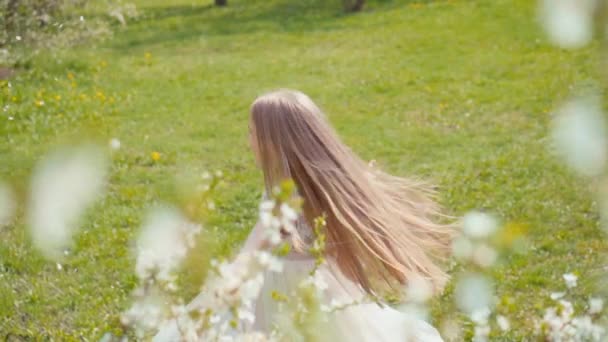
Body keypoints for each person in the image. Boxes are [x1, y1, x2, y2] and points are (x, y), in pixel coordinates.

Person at [244, 89, 453, 341]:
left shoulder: (312, 197)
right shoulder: (278, 187)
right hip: (276, 299)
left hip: (313, 304)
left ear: (272, 142)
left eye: (251, 133)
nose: (248, 141)